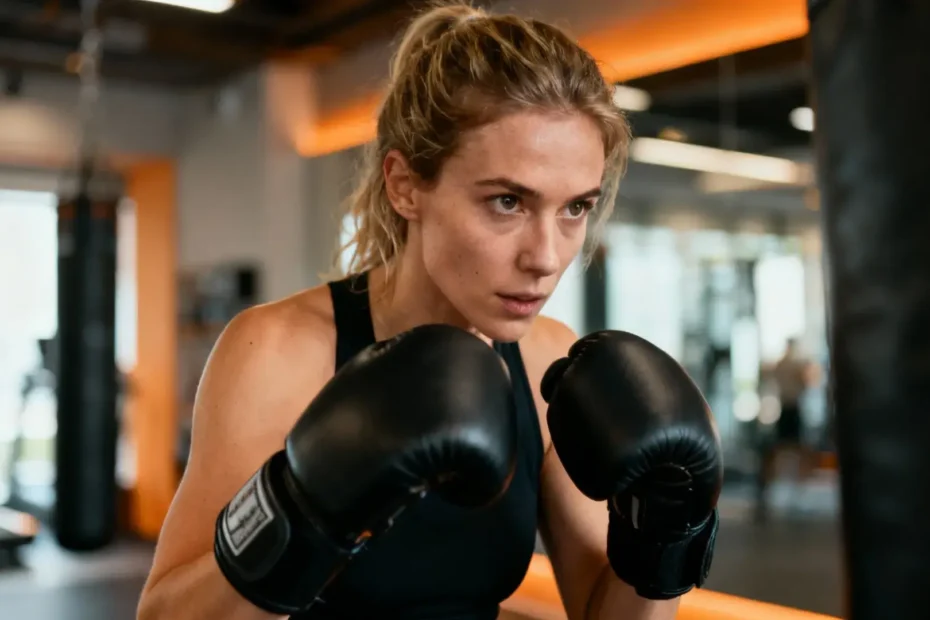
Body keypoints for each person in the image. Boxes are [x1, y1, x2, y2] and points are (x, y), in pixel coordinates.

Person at [136, 3, 721, 620]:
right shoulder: (276, 351)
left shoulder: (546, 362)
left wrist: (662, 538)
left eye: (575, 208)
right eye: (507, 201)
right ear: (405, 185)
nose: (547, 258)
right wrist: (303, 508)